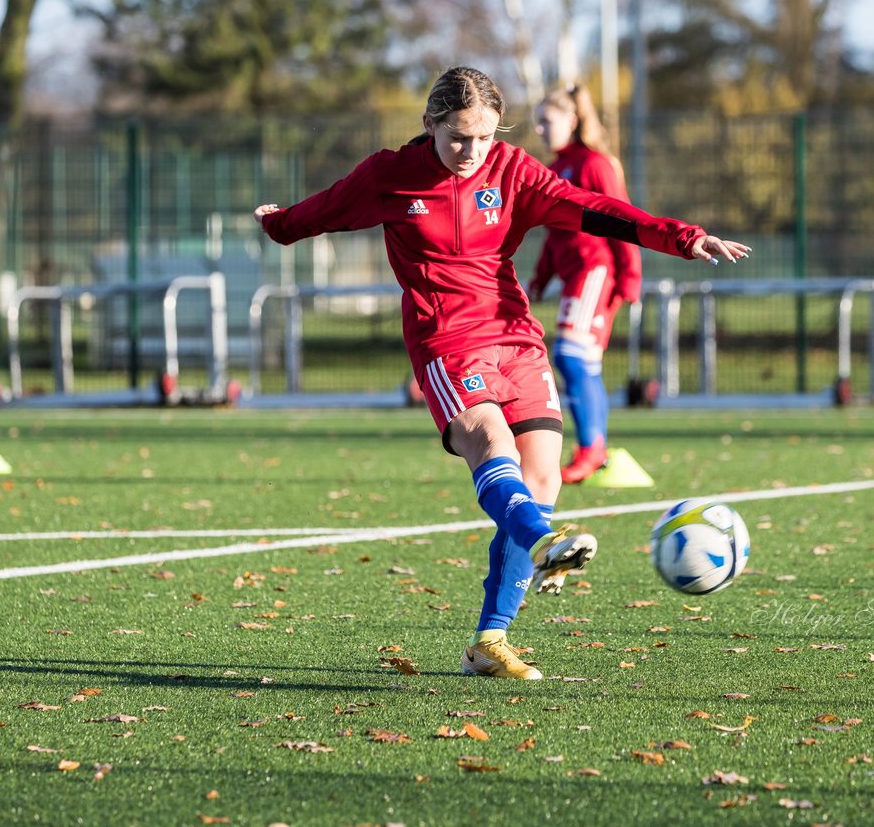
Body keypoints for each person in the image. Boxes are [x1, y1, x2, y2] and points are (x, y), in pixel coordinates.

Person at [255, 66, 749, 680]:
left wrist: (682, 238)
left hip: (514, 337)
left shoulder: (512, 170)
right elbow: (322, 212)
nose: (472, 152)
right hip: (445, 341)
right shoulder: (390, 174)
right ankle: (545, 546)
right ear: (430, 125)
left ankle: (488, 641)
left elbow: (591, 208)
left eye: (485, 137)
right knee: (492, 446)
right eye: (459, 137)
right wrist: (278, 223)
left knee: (540, 483)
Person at [528, 85, 639, 484]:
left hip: (594, 271)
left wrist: (629, 278)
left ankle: (591, 450)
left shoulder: (593, 164)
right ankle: (595, 450)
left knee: (572, 359)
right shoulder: (556, 168)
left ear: (572, 121)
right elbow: (552, 231)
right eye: (537, 122)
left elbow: (625, 220)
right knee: (584, 363)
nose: (540, 129)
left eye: (547, 121)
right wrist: (540, 279)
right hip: (573, 275)